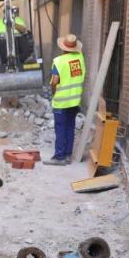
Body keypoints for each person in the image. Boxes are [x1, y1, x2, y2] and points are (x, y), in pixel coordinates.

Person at [46, 34, 86, 165]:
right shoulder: (80, 59)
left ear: (63, 48)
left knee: (60, 128)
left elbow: (55, 81)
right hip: (75, 101)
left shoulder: (59, 61)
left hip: (61, 101)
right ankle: (68, 155)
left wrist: (53, 90)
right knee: (70, 127)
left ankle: (59, 157)